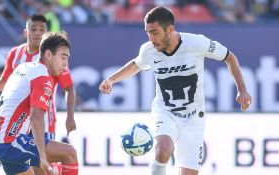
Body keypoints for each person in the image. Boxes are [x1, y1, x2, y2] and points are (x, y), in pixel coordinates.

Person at [99, 6, 252, 175]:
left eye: (155, 32)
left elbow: (229, 57)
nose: (151, 38)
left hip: (194, 118)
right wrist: (112, 79)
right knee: (163, 149)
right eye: (147, 33)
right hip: (165, 112)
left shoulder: (196, 43)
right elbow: (136, 65)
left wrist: (242, 90)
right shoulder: (149, 50)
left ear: (170, 29)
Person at [0, 31, 79, 175]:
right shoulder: (42, 76)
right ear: (48, 54)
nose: (66, 63)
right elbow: (36, 116)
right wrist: (42, 155)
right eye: (63, 57)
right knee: (70, 154)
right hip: (9, 142)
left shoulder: (24, 67)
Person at [0, 14, 76, 140]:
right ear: (25, 32)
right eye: (33, 29)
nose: (38, 33)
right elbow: (6, 80)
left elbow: (69, 88)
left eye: (42, 30)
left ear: (46, 33)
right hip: (16, 124)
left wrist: (70, 116)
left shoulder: (52, 56)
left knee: (45, 158)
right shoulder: (15, 53)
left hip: (43, 123)